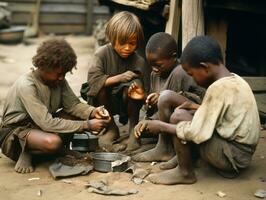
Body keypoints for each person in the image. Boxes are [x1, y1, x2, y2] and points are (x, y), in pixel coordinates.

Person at [134, 36, 260, 185]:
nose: (192, 78)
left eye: (192, 74)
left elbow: (197, 132)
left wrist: (161, 126)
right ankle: (174, 154)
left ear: (205, 67)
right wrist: (193, 109)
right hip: (239, 151)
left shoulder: (218, 88)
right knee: (178, 109)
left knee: (179, 117)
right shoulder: (235, 79)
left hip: (233, 157)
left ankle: (185, 172)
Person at [0, 39, 111, 174]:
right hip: (16, 132)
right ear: (43, 67)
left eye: (64, 74)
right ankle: (27, 152)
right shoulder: (27, 85)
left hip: (40, 124)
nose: (61, 78)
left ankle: (59, 150)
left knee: (73, 115)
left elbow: (73, 105)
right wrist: (87, 125)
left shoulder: (59, 81)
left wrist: (94, 112)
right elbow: (47, 123)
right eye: (59, 74)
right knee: (53, 142)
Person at [131, 32, 204, 164]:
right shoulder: (155, 74)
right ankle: (162, 145)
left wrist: (152, 120)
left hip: (187, 124)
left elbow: (182, 105)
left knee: (164, 102)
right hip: (164, 121)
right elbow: (158, 107)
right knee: (141, 129)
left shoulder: (180, 72)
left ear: (174, 57)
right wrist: (145, 98)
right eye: (151, 64)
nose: (154, 69)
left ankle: (166, 148)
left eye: (158, 65)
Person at [85, 11, 147, 151]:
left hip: (128, 103)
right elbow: (93, 84)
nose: (127, 48)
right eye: (122, 43)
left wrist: (138, 91)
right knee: (100, 87)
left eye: (132, 43)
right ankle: (112, 128)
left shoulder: (139, 61)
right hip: (105, 103)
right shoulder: (101, 54)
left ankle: (133, 129)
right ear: (112, 38)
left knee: (135, 87)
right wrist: (119, 78)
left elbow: (147, 92)